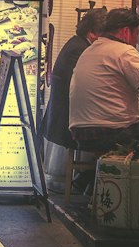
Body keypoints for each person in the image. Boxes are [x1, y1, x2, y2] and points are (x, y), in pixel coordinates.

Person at [69, 6, 139, 157]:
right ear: (126, 32)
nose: (136, 40)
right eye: (136, 34)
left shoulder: (90, 50)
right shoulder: (123, 50)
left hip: (80, 133)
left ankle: (93, 178)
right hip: (112, 131)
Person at [41, 8, 106, 150]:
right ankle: (94, 170)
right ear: (92, 33)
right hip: (66, 123)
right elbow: (84, 87)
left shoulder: (77, 44)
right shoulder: (80, 50)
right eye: (104, 35)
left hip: (64, 119)